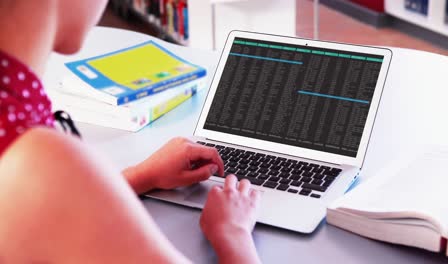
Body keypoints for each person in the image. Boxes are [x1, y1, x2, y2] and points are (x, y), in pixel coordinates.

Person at [0, 0, 261, 263]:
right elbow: (51, 193)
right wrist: (233, 233)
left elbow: (51, 213)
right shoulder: (42, 161)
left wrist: (140, 176)